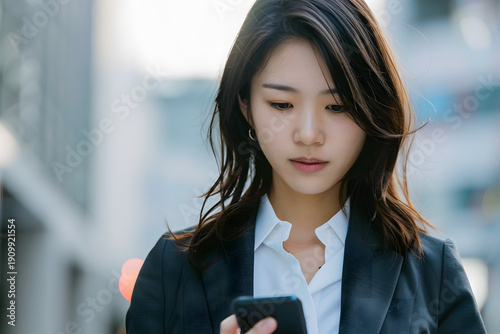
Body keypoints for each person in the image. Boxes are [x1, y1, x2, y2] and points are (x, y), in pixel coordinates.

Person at [125, 0, 487, 333]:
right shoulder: (173, 270)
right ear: (246, 106)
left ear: (371, 110)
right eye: (282, 104)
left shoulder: (432, 274)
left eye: (338, 106)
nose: (309, 134)